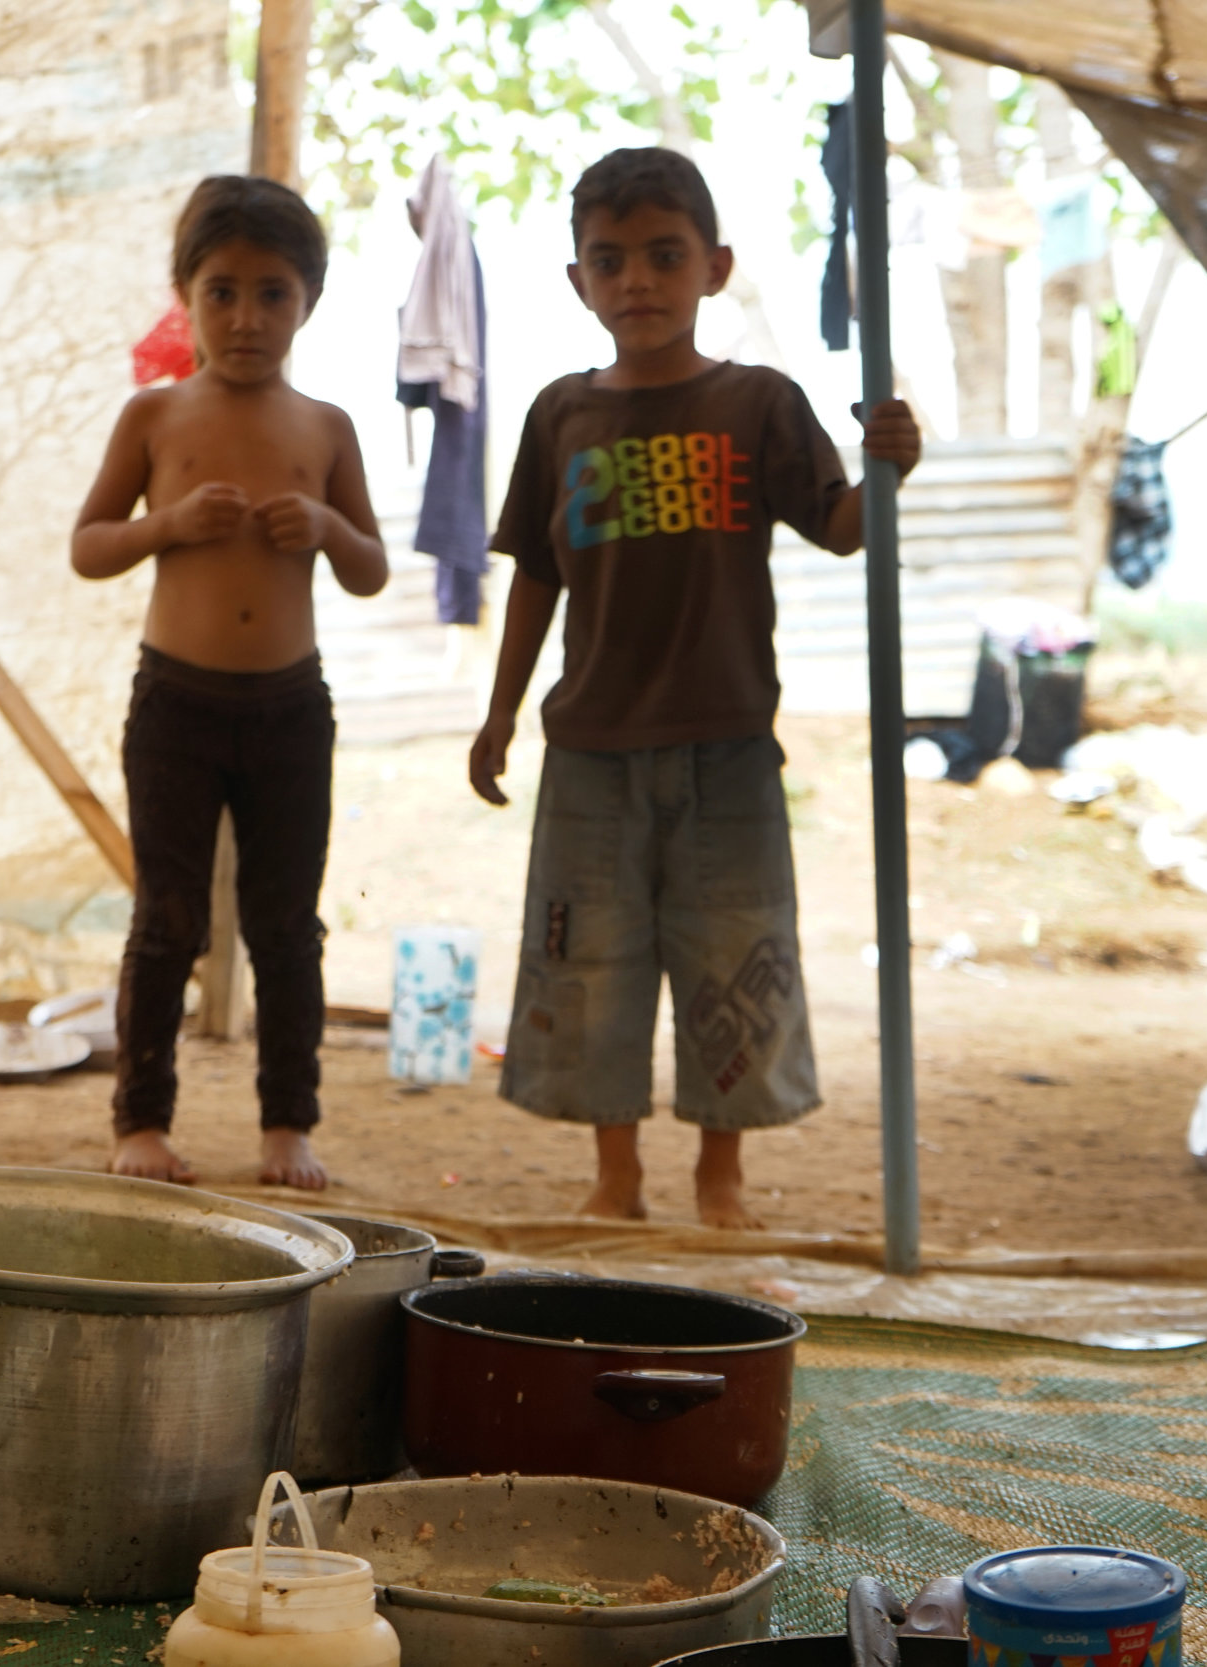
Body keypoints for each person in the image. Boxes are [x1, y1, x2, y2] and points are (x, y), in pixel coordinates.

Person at [469, 147, 922, 1229]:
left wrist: (889, 468)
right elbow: (537, 569)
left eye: (664, 256)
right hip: (588, 748)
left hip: (725, 746)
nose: (638, 280)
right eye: (610, 259)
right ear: (578, 281)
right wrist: (497, 712)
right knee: (590, 959)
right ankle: (614, 1175)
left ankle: (719, 1176)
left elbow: (843, 527)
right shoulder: (557, 415)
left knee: (733, 955)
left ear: (713, 267)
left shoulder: (759, 402)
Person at [72, 176, 387, 1192]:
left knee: (286, 924)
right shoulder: (154, 416)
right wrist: (166, 525)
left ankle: (287, 1123)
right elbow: (88, 544)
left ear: (309, 301)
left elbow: (371, 565)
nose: (246, 317)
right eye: (221, 291)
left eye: (272, 293)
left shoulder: (327, 426)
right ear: (183, 293)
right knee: (167, 917)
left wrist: (329, 529)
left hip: (291, 706)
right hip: (177, 704)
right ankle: (141, 1118)